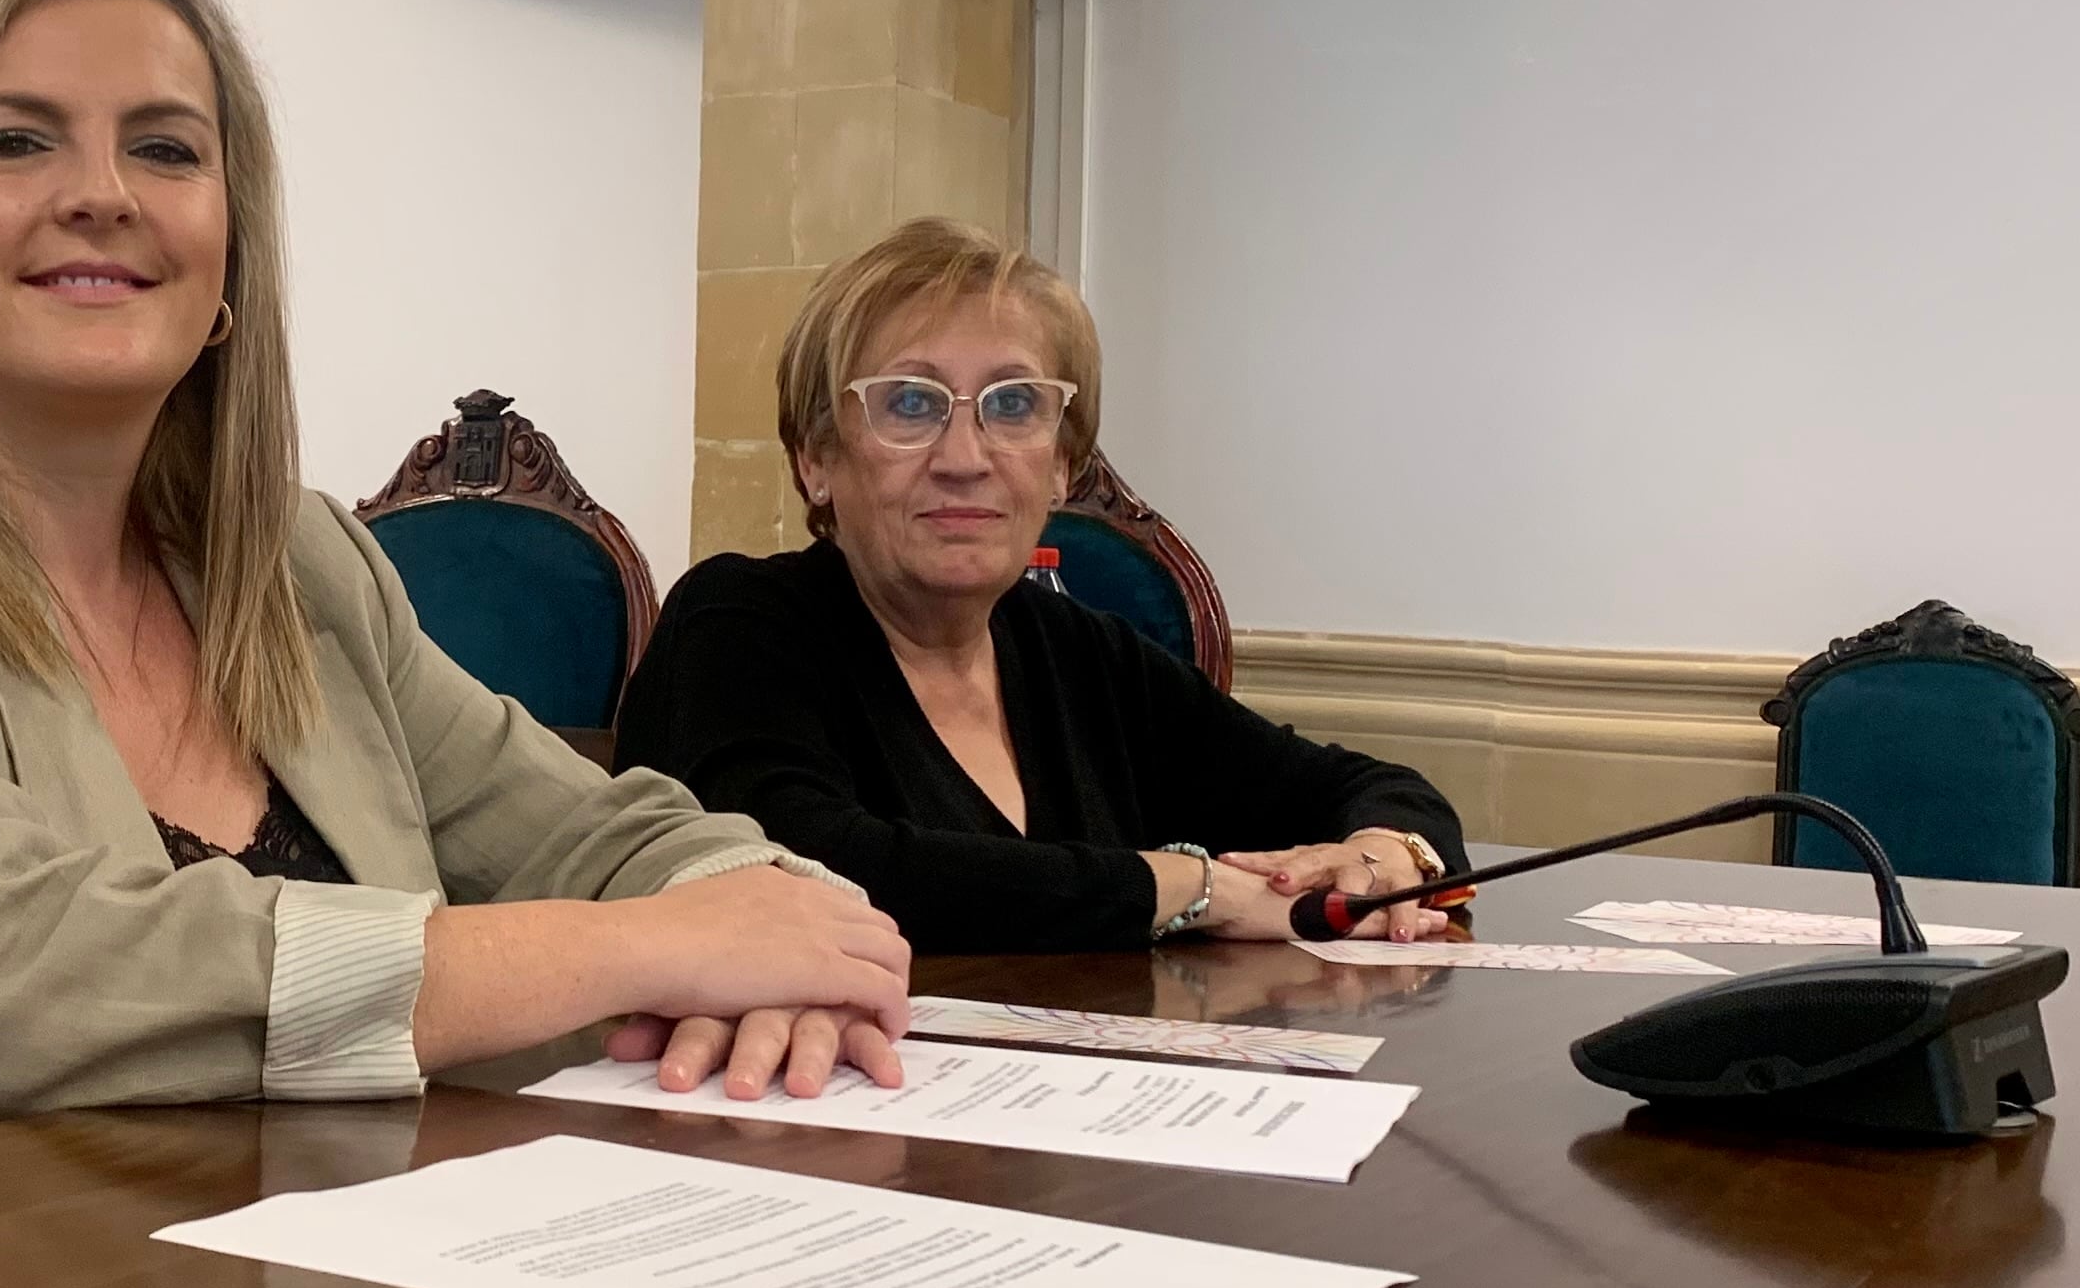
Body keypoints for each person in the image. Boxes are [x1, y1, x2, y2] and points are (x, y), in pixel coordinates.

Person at [0, 0, 909, 1185]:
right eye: (13, 140)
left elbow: (609, 837)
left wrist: (769, 931)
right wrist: (645, 955)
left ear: (229, 250)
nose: (102, 195)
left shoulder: (297, 561)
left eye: (166, 151)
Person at [614, 219, 1465, 954]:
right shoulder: (738, 623)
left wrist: (1388, 859)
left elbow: (1377, 788)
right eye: (910, 404)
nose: (964, 456)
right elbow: (815, 870)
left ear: (1062, 464)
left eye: (1013, 405)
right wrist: (1192, 888)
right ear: (816, 458)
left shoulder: (1085, 655)